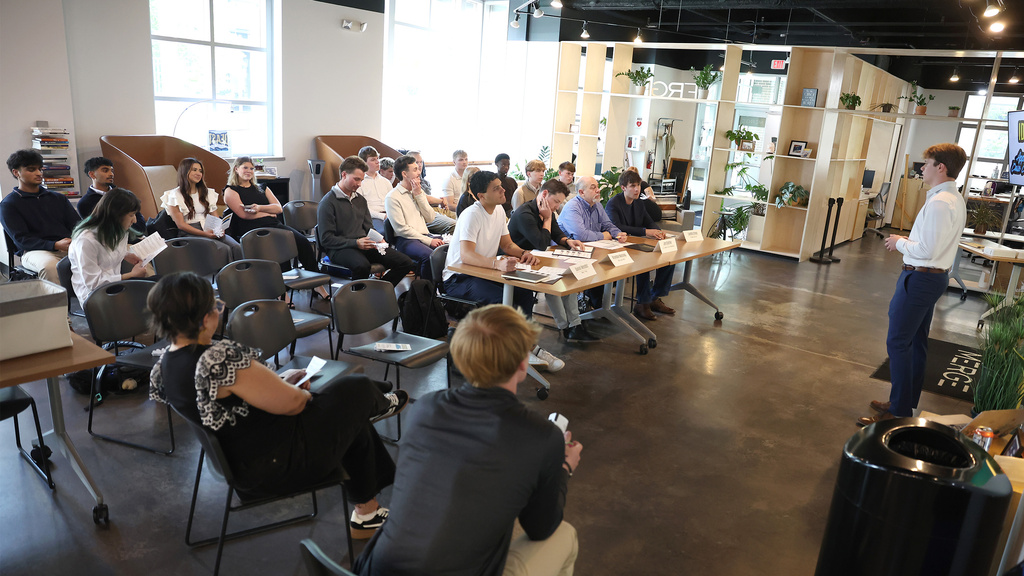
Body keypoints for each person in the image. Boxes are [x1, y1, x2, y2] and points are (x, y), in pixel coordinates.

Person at [147, 272, 408, 538]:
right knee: (354, 388)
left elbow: (231, 401)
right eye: (216, 306)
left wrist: (280, 383)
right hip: (278, 462)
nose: (218, 310)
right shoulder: (216, 360)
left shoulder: (167, 364)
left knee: (350, 414)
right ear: (203, 319)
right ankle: (380, 402)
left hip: (243, 461)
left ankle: (368, 514)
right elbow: (294, 405)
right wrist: (299, 395)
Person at [353, 304, 581, 576]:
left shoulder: (425, 407)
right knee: (564, 535)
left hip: (374, 569)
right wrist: (563, 469)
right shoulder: (543, 436)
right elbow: (541, 527)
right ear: (523, 363)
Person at [859, 143, 968, 426]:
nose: (922, 168)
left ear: (940, 167)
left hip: (921, 277)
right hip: (930, 277)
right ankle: (903, 402)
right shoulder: (951, 198)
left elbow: (927, 250)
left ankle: (898, 411)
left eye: (927, 163)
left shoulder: (941, 203)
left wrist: (899, 242)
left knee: (898, 341)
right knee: (916, 341)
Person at [443, 171, 564, 371]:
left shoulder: (499, 210)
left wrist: (524, 253)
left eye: (501, 185)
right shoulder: (472, 215)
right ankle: (523, 350)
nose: (503, 189)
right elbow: (466, 256)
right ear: (481, 196)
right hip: (459, 277)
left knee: (524, 292)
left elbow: (507, 245)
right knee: (502, 301)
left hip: (482, 273)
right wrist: (496, 264)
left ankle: (525, 346)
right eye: (496, 188)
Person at [509, 179, 600, 343]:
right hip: (517, 263)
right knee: (555, 280)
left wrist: (567, 241)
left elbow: (556, 233)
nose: (557, 206)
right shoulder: (525, 214)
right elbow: (542, 244)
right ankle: (567, 326)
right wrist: (547, 219)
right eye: (556, 201)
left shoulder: (546, 211)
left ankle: (575, 325)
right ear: (544, 194)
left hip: (534, 260)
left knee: (568, 274)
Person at [223, 157, 325, 296]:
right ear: (236, 169)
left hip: (274, 224)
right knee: (277, 250)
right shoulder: (231, 190)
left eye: (251, 168)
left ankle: (316, 283)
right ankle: (282, 292)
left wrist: (259, 208)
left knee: (302, 241)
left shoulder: (262, 187)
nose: (249, 171)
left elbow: (278, 208)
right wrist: (266, 212)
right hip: (251, 229)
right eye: (245, 168)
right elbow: (244, 215)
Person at [319, 156, 415, 286]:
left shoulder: (360, 200)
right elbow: (326, 239)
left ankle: (379, 291)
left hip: (363, 244)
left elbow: (369, 227)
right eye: (356, 179)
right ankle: (358, 300)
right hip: (340, 249)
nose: (359, 184)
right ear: (344, 175)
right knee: (362, 266)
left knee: (406, 262)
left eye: (361, 180)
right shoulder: (327, 202)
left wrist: (379, 240)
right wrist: (355, 242)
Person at [0, 149, 81, 282]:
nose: (39, 173)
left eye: (40, 169)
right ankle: (56, 303)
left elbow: (77, 225)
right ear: (16, 172)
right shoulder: (9, 204)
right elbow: (22, 240)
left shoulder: (58, 198)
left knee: (104, 254)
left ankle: (95, 301)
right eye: (31, 170)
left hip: (68, 247)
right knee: (50, 267)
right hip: (34, 252)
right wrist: (54, 245)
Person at [606, 169, 676, 321]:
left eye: (638, 185)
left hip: (637, 242)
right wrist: (646, 231)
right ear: (623, 187)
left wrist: (657, 231)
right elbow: (617, 227)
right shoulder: (613, 203)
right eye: (632, 186)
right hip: (619, 244)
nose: (637, 189)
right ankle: (642, 303)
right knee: (643, 263)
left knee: (668, 259)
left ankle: (654, 297)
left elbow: (649, 220)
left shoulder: (639, 203)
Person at [68, 187, 151, 302]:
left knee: (160, 285)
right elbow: (93, 283)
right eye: (131, 215)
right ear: (116, 215)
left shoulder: (119, 229)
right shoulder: (85, 240)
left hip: (115, 286)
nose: (135, 221)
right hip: (94, 295)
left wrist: (125, 254)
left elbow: (107, 252)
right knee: (152, 296)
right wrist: (131, 275)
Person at [558, 175, 627, 311]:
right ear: (581, 192)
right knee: (599, 266)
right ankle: (591, 305)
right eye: (593, 187)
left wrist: (617, 234)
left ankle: (597, 306)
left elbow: (608, 224)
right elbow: (581, 235)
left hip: (592, 250)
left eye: (597, 187)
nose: (598, 190)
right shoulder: (573, 206)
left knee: (607, 265)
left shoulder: (597, 205)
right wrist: (604, 236)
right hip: (568, 254)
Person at [385, 155, 454, 280]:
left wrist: (419, 195)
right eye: (415, 169)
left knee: (454, 247)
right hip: (406, 239)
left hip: (424, 235)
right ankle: (425, 293)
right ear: (405, 174)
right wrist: (428, 241)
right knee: (430, 256)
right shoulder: (393, 197)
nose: (419, 172)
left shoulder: (417, 192)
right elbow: (401, 229)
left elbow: (430, 218)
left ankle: (443, 290)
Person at [159, 157, 242, 260]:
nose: (198, 173)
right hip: (189, 232)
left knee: (237, 247)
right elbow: (181, 225)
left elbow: (215, 217)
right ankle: (223, 275)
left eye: (200, 171)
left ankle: (240, 274)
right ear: (184, 171)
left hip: (209, 228)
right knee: (223, 249)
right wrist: (204, 234)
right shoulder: (173, 195)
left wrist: (220, 229)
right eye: (194, 170)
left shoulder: (207, 193)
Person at [77, 157, 146, 233]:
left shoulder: (123, 194)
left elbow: (138, 216)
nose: (111, 174)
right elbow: (100, 229)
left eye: (111, 170)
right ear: (92, 174)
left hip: (141, 235)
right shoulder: (85, 203)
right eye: (105, 170)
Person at [408, 150, 455, 229]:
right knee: (454, 225)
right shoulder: (409, 181)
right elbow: (425, 199)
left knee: (464, 218)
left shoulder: (425, 181)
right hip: (422, 213)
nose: (419, 165)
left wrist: (441, 201)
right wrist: (441, 201)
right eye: (417, 162)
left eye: (421, 162)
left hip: (434, 208)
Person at [356, 146, 391, 235]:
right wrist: (383, 216)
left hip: (390, 214)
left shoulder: (385, 182)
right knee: (383, 232)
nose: (377, 162)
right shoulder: (360, 183)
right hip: (372, 217)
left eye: (377, 158)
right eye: (373, 160)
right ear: (364, 163)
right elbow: (362, 209)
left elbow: (393, 202)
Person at [494, 153, 517, 217]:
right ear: (497, 164)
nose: (506, 167)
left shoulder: (512, 181)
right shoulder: (492, 181)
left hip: (510, 211)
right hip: (496, 211)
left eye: (508, 165)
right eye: (503, 164)